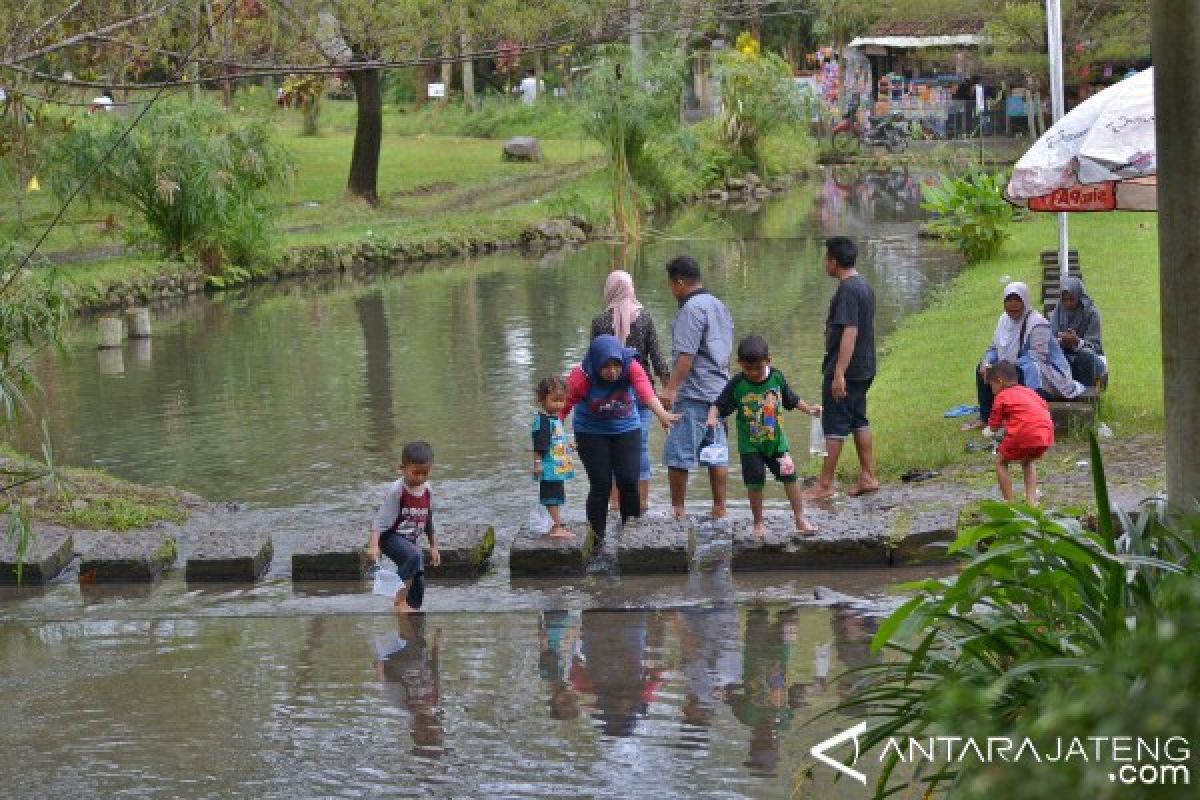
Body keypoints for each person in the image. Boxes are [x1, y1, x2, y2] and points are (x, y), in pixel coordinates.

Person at [562, 335, 679, 542]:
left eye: (616, 365)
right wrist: (552, 434)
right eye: (606, 367)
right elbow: (562, 406)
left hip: (626, 428)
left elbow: (645, 391)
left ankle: (630, 536)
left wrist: (662, 415)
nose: (613, 371)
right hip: (590, 431)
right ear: (596, 363)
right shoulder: (581, 376)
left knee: (628, 482)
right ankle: (596, 539)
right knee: (601, 484)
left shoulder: (631, 365)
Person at [707, 335, 820, 537]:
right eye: (747, 369)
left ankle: (800, 517)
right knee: (755, 482)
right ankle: (758, 522)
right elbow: (718, 404)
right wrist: (712, 417)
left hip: (777, 443)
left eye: (757, 369)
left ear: (768, 361)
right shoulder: (737, 384)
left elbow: (791, 399)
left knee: (790, 477)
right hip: (750, 445)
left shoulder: (776, 377)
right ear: (739, 363)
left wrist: (810, 409)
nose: (752, 373)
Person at [660, 255, 735, 520]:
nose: (672, 291)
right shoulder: (718, 305)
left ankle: (678, 510)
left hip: (694, 391)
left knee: (678, 452)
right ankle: (720, 507)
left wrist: (670, 389)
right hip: (720, 390)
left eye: (671, 285)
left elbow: (686, 357)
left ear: (679, 282)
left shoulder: (690, 310)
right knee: (716, 451)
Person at [591, 270, 670, 513]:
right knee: (641, 447)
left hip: (610, 392)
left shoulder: (600, 321)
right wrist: (668, 389)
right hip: (642, 391)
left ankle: (615, 503)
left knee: (613, 445)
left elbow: (593, 360)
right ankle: (642, 501)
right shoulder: (644, 319)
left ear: (610, 289)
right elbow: (656, 357)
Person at [806, 237, 879, 500]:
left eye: (826, 258)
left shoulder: (848, 289)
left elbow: (850, 331)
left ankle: (825, 485)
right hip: (865, 365)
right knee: (859, 419)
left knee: (835, 424)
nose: (825, 263)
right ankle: (868, 475)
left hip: (847, 368)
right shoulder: (864, 286)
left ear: (834, 261)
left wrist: (838, 373)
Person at [966, 281, 1083, 430]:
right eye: (1009, 300)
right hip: (1014, 366)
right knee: (982, 368)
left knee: (1026, 369)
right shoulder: (1004, 320)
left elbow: (1038, 357)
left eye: (1017, 300)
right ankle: (986, 417)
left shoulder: (1037, 323)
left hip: (1047, 375)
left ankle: (1026, 415)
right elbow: (994, 348)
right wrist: (986, 362)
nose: (1013, 305)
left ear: (1025, 301)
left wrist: (1007, 368)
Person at [367, 440, 442, 613]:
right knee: (415, 556)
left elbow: (428, 521)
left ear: (432, 469)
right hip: (390, 537)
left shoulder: (428, 490)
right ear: (402, 469)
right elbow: (379, 521)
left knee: (418, 579)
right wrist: (373, 546)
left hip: (409, 542)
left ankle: (410, 612)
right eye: (415, 473)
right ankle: (399, 600)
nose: (420, 478)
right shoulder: (397, 491)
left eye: (425, 473)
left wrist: (434, 547)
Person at [985, 360, 1054, 504]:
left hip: (1023, 433)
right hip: (1044, 434)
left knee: (1001, 462)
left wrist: (992, 429)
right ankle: (1031, 500)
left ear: (999, 381)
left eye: (991, 385)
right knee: (1028, 462)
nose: (991, 390)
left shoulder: (1002, 396)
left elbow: (994, 425)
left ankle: (1009, 502)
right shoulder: (1029, 392)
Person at [531, 376, 576, 540]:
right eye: (554, 400)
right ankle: (556, 527)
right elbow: (539, 445)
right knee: (552, 497)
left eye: (562, 401)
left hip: (556, 467)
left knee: (557, 496)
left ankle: (555, 524)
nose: (559, 404)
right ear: (542, 399)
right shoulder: (542, 421)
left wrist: (568, 447)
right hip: (549, 468)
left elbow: (555, 441)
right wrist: (537, 464)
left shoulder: (553, 419)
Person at [1050, 276, 1107, 388]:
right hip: (1066, 357)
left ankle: (1087, 394)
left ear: (1079, 297)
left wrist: (1077, 342)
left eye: (1072, 299)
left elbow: (1095, 346)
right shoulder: (1058, 311)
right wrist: (1062, 340)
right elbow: (1051, 337)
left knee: (1086, 354)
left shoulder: (1091, 313)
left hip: (1090, 362)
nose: (1068, 303)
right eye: (1065, 300)